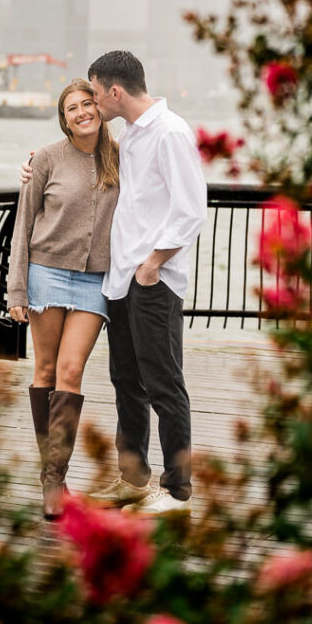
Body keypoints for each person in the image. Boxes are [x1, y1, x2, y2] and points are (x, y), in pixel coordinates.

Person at [20, 51, 207, 516]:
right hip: (118, 282)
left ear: (113, 91)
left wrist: (154, 263)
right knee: (127, 380)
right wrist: (33, 168)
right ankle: (133, 478)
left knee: (163, 382)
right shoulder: (129, 139)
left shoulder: (169, 133)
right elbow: (77, 168)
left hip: (151, 279)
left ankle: (177, 489)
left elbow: (191, 209)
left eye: (95, 94)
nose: (93, 105)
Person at [7, 78, 119, 519]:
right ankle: (53, 481)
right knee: (46, 370)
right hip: (46, 274)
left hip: (95, 281)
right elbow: (23, 226)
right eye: (71, 108)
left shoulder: (120, 157)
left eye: (87, 103)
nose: (81, 112)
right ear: (64, 118)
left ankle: (54, 474)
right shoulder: (47, 159)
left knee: (71, 372)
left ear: (99, 106)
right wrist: (17, 288)